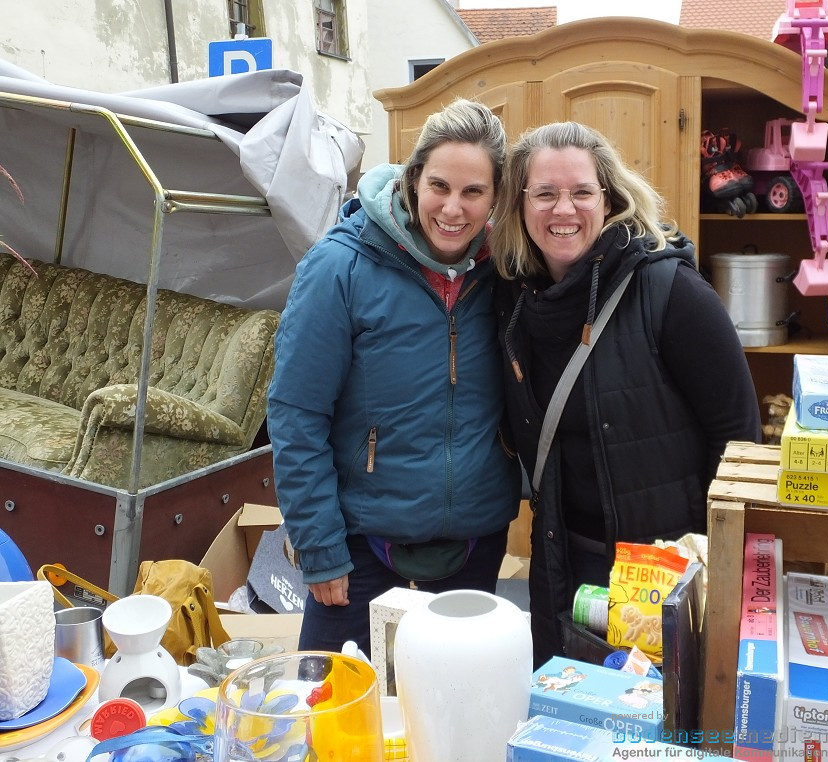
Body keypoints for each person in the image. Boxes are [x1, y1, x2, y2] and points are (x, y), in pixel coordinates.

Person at [488, 121, 761, 664]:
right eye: (544, 193)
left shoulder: (671, 293)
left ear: (608, 198)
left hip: (660, 572)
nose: (563, 209)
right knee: (565, 720)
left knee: (647, 739)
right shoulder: (514, 297)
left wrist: (719, 565)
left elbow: (738, 438)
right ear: (519, 204)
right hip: (560, 562)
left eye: (581, 192)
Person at [267, 99, 520, 657]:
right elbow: (296, 414)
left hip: (473, 547)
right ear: (412, 179)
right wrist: (319, 547)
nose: (453, 208)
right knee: (339, 723)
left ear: (496, 197)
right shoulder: (341, 268)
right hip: (359, 554)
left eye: (473, 192)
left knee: (448, 720)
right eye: (439, 186)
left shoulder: (506, 273)